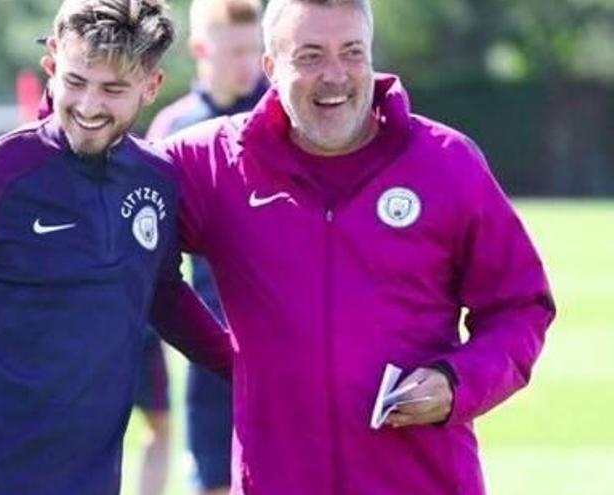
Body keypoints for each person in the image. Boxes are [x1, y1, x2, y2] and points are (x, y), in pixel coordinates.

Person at [161, 0, 556, 493]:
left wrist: (459, 382)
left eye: (352, 52)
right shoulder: (214, 165)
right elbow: (115, 210)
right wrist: (224, 354)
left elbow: (520, 306)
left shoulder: (446, 162)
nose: (335, 75)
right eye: (310, 56)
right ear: (271, 67)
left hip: (425, 481)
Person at [0, 1, 231, 494]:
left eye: (113, 90)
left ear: (151, 85)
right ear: (53, 63)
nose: (88, 106)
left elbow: (162, 291)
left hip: (93, 481)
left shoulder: (157, 181)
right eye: (76, 81)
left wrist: (247, 368)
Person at [136, 0, 266, 493]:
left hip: (281, 332)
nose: (247, 63)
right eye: (234, 51)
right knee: (212, 476)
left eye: (254, 50)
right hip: (210, 338)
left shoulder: (283, 115)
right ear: (199, 50)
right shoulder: (174, 129)